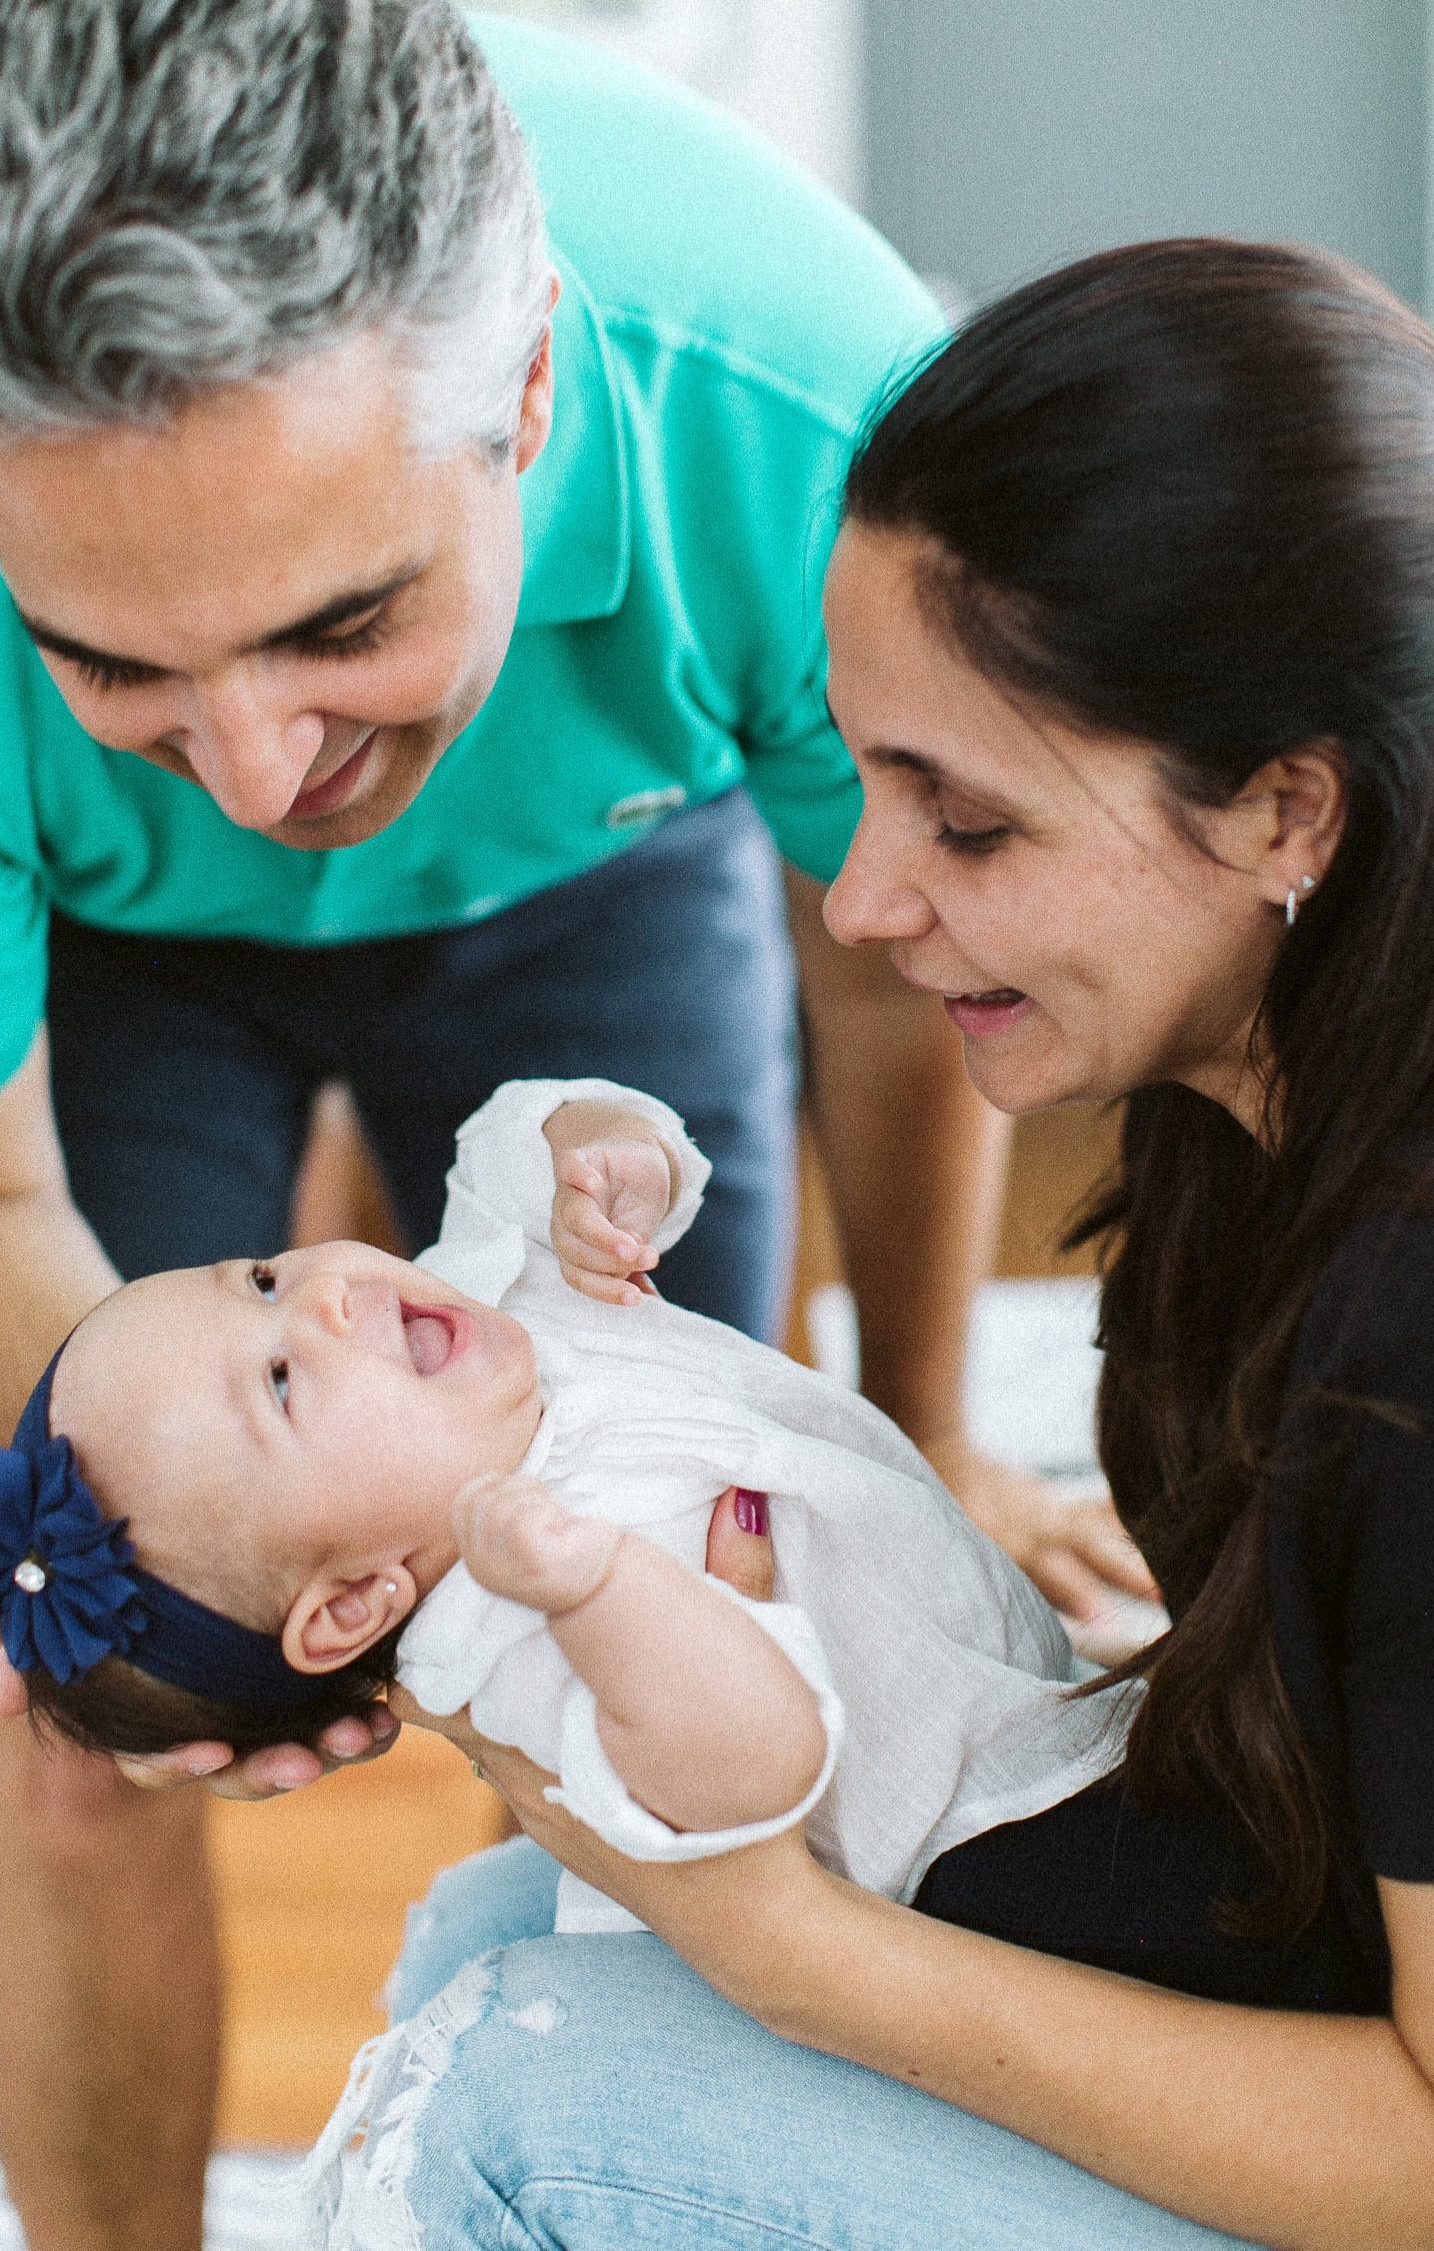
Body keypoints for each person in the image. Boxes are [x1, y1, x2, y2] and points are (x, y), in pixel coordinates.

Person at [0, 7, 1155, 2245]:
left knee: (698, 1563)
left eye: (342, 620)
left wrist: (925, 1413)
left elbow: (899, 998)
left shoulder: (817, 424)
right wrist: (191, 1562)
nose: (256, 776)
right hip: (93, 952)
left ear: (527, 403)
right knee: (71, 1716)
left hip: (604, 843)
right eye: (112, 664)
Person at [311, 238, 1434, 2251]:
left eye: (968, 823)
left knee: (520, 2095)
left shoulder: (1413, 1332)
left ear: (1288, 812)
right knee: (497, 1919)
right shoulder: (1241, 1116)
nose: (857, 904)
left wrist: (804, 1956)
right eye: (860, 780)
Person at [0, 1078, 1130, 1938]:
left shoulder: (486, 1306)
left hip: (1046, 1683)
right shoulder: (513, 1641)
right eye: (285, 1383)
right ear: (355, 1600)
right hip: (987, 1854)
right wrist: (599, 1591)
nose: (325, 1299)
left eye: (257, 1278)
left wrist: (599, 1149)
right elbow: (755, 1776)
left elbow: (504, 1147)